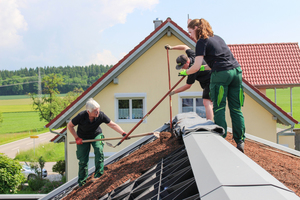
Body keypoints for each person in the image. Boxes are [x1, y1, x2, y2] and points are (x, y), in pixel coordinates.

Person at [179, 18, 245, 153]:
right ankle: (240, 141)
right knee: (236, 109)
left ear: (196, 29)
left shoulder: (201, 42)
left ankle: (221, 139)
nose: (190, 35)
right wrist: (204, 68)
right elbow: (217, 61)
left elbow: (195, 66)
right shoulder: (217, 38)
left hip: (221, 75)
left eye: (190, 32)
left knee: (219, 107)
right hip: (236, 72)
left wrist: (185, 72)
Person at [67, 98, 127, 186]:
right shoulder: (81, 116)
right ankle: (82, 182)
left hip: (96, 135)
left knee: (98, 150)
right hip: (82, 137)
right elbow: (70, 126)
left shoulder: (101, 115)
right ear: (88, 111)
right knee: (83, 160)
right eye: (95, 111)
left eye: (98, 110)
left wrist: (123, 133)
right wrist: (76, 138)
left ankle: (98, 175)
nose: (97, 113)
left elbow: (112, 124)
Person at [164, 44, 213, 120]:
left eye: (183, 66)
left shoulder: (192, 70)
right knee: (210, 102)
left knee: (206, 102)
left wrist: (174, 92)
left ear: (187, 62)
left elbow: (188, 86)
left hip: (210, 81)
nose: (182, 68)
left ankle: (209, 122)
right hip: (211, 78)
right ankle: (211, 120)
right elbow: (184, 47)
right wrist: (172, 47)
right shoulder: (192, 55)